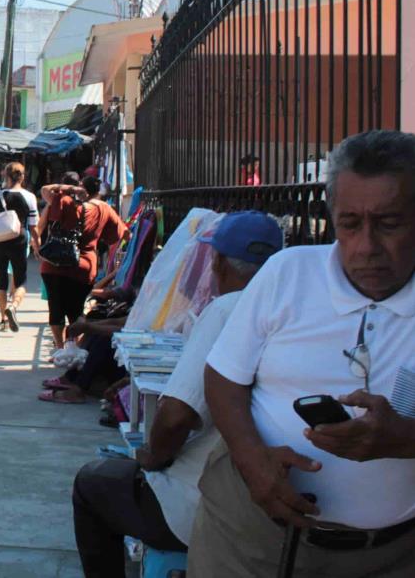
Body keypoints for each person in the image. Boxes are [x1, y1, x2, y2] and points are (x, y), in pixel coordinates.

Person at [191, 130, 415, 576]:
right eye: (349, 224)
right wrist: (251, 458)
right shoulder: (287, 273)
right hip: (247, 537)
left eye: (388, 223)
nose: (366, 247)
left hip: (390, 555)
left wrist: (406, 440)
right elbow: (222, 376)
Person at [70, 211, 283, 576]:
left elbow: (177, 415)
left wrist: (154, 456)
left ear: (215, 262)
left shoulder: (228, 309)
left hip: (207, 506)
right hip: (270, 496)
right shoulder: (292, 308)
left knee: (91, 484)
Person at [37, 175, 129, 354]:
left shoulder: (65, 201)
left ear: (82, 188)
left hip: (53, 264)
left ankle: (59, 348)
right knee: (76, 309)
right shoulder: (104, 208)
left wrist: (71, 190)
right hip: (83, 267)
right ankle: (74, 347)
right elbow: (123, 235)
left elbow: (45, 190)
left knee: (55, 307)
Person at [0, 162, 40, 331]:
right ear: (23, 177)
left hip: (0, 240)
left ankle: (3, 319)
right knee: (21, 281)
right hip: (19, 240)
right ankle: (14, 306)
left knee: (1, 281)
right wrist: (37, 245)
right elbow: (33, 226)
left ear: (6, 177)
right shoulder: (30, 197)